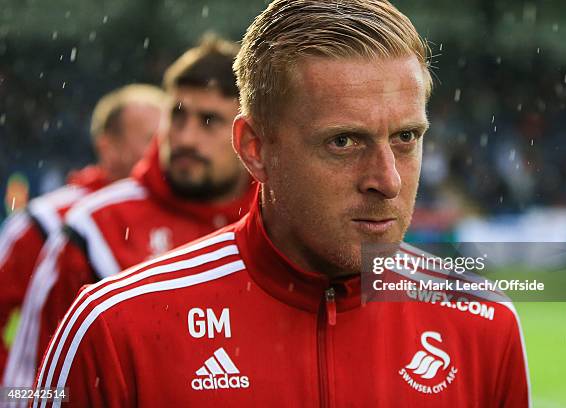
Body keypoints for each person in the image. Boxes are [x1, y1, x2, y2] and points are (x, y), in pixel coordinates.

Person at [33, 1, 529, 407]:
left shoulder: (482, 322)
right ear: (255, 148)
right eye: (343, 142)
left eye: (405, 137)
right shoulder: (119, 328)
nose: (387, 180)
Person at [5, 34, 255, 390]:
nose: (185, 139)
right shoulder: (93, 227)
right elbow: (29, 382)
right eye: (178, 117)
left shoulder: (286, 219)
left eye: (209, 121)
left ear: (248, 134)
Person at [0, 84, 164, 375]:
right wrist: (24, 391)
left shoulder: (194, 216)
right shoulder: (45, 221)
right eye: (151, 138)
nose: (166, 148)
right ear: (107, 146)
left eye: (168, 136)